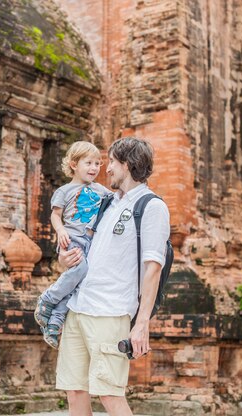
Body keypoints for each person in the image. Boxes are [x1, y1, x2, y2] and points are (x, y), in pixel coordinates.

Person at [55, 137, 170, 416]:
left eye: (113, 163)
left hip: (111, 312)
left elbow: (153, 268)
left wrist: (142, 323)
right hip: (78, 307)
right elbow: (86, 250)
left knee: (109, 394)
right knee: (75, 391)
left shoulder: (151, 206)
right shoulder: (107, 203)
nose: (106, 169)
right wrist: (63, 260)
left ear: (128, 165)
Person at [34, 141, 110, 349]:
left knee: (78, 282)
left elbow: (117, 202)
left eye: (97, 164)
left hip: (90, 242)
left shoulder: (102, 190)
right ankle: (48, 299)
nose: (94, 168)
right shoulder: (65, 191)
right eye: (89, 163)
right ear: (74, 164)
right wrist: (60, 231)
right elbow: (55, 215)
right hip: (72, 239)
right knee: (80, 270)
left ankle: (54, 322)